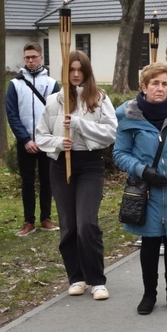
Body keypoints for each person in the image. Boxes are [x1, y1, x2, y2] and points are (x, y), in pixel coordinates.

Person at [113, 63, 167, 315]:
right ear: (144, 86)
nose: (161, 88)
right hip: (147, 190)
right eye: (155, 84)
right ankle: (148, 294)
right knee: (150, 244)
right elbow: (119, 154)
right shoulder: (129, 115)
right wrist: (142, 170)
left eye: (165, 84)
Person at [35, 50, 117, 300]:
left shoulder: (99, 98)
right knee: (69, 225)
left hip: (90, 164)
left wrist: (81, 125)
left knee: (86, 223)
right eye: (71, 70)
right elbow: (40, 136)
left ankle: (97, 279)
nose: (76, 74)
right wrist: (59, 142)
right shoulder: (54, 101)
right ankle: (76, 277)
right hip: (61, 165)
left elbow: (110, 133)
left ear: (87, 71)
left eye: (80, 70)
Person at [6, 42, 61, 237]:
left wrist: (49, 138)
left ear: (41, 58)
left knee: (47, 180)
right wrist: (25, 139)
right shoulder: (15, 84)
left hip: (46, 140)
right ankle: (29, 220)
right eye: (27, 57)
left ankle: (46, 218)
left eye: (34, 57)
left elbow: (56, 112)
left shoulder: (52, 83)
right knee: (27, 181)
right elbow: (12, 114)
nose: (30, 60)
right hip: (25, 142)